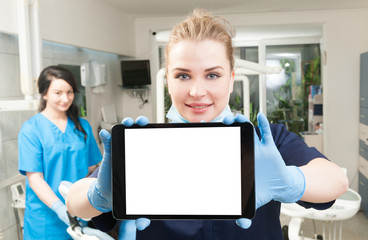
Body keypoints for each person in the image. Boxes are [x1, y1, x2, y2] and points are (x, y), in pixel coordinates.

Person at [65, 9, 348, 240]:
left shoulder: (264, 140)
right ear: (168, 80)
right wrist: (97, 196)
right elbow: (75, 202)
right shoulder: (142, 146)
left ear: (231, 76)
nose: (197, 91)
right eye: (183, 75)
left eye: (212, 75)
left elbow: (335, 180)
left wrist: (291, 182)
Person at [18, 65, 102, 239]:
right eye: (58, 93)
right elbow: (35, 179)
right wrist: (60, 208)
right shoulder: (31, 130)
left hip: (79, 213)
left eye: (70, 92)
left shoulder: (82, 126)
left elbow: (93, 169)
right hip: (44, 220)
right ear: (44, 93)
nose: (65, 98)